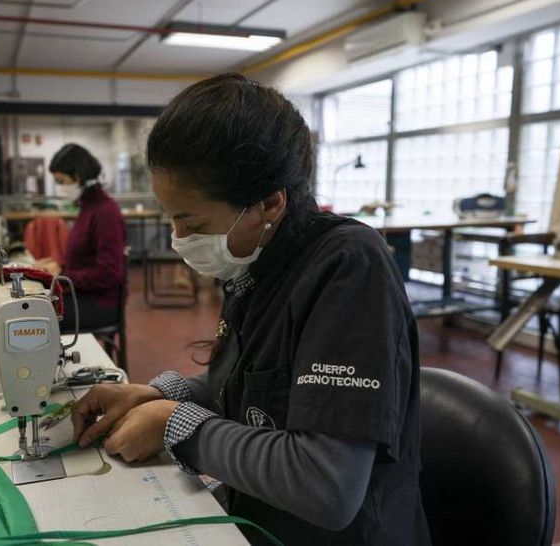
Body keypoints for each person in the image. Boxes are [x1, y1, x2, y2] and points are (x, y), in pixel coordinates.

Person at [70, 74, 431, 545]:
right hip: (260, 518)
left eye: (191, 221)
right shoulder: (257, 257)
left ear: (269, 203)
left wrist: (174, 424)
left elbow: (327, 486)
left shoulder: (349, 269)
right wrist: (154, 393)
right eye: (172, 218)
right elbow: (262, 390)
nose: (178, 238)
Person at [35, 143, 126, 331]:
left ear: (78, 177)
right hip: (82, 295)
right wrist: (58, 267)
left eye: (61, 181)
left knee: (31, 319)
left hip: (99, 304)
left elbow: (109, 274)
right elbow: (85, 259)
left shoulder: (105, 213)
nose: (59, 188)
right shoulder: (89, 207)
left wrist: (62, 276)